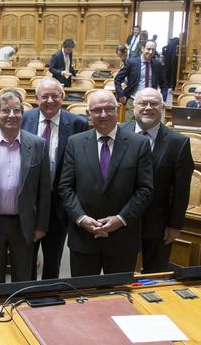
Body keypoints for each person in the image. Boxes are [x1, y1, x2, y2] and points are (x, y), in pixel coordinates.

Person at [58, 90, 153, 276]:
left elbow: (145, 190)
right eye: (97, 110)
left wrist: (120, 219)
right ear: (88, 114)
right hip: (84, 237)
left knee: (119, 297)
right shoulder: (74, 143)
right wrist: (81, 218)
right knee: (84, 298)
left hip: (122, 238)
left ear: (118, 109)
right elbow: (65, 187)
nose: (103, 115)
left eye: (109, 109)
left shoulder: (139, 144)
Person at [0, 90, 50, 284]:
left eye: (17, 110)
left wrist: (41, 225)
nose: (11, 115)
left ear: (22, 114)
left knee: (23, 276)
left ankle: (20, 311)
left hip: (24, 223)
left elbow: (44, 190)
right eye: (6, 110)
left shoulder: (38, 144)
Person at [119, 88, 193, 273]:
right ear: (133, 107)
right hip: (121, 219)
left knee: (155, 275)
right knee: (119, 275)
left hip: (158, 224)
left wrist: (175, 225)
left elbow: (181, 189)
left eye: (154, 104)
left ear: (163, 108)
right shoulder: (119, 132)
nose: (148, 108)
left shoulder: (178, 142)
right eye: (143, 103)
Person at [21, 77, 88, 280]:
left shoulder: (78, 124)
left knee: (53, 256)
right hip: (30, 203)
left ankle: (49, 295)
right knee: (26, 256)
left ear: (62, 97)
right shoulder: (24, 119)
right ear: (36, 98)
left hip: (59, 203)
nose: (49, 101)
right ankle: (26, 293)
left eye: (54, 96)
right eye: (44, 96)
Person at [114, 40, 167, 121]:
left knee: (150, 126)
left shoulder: (157, 64)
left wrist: (163, 98)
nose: (150, 52)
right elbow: (117, 79)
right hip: (133, 100)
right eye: (148, 49)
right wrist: (121, 95)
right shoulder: (131, 62)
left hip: (151, 102)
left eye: (153, 50)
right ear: (143, 48)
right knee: (130, 127)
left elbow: (164, 84)